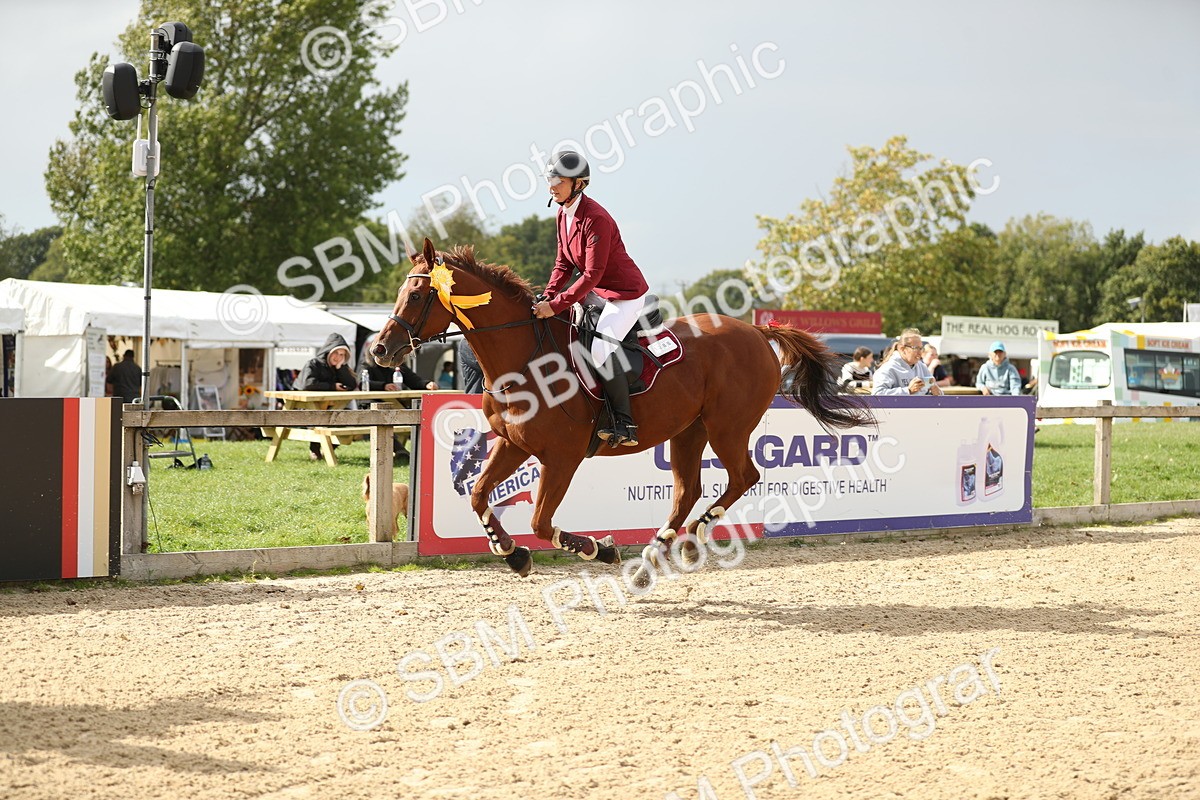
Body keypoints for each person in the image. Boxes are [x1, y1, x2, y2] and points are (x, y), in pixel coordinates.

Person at [532, 150, 649, 446]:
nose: (552, 184)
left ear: (579, 183)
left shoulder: (596, 218)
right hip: (596, 295)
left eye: (558, 179)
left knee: (599, 350)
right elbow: (563, 264)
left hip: (624, 295)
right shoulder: (563, 214)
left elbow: (592, 274)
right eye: (550, 178)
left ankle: (624, 423)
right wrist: (547, 295)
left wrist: (557, 304)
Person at [299, 333, 358, 460]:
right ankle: (315, 449)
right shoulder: (313, 364)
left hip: (332, 406)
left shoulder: (341, 366)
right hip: (307, 407)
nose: (338, 357)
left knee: (347, 418)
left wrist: (340, 368)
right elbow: (308, 384)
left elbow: (352, 384)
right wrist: (332, 386)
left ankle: (328, 448)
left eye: (342, 354)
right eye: (336, 353)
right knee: (320, 418)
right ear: (329, 351)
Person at [872, 328, 943, 396]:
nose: (920, 352)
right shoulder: (888, 369)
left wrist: (936, 393)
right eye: (915, 348)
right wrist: (908, 390)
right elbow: (877, 395)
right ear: (902, 349)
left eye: (921, 348)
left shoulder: (922, 367)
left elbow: (938, 394)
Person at [357, 334, 438, 391]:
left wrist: (427, 384)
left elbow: (414, 381)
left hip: (394, 403)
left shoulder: (397, 363)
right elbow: (361, 383)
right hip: (371, 405)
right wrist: (384, 386)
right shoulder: (366, 364)